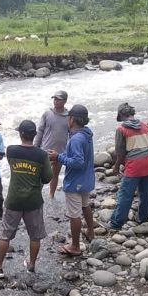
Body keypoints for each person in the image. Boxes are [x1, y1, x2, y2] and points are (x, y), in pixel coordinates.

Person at [0, 120, 52, 277]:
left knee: (5, 235)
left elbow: (11, 163)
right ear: (35, 135)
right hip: (33, 201)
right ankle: (31, 265)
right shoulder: (42, 155)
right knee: (35, 236)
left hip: (14, 200)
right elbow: (47, 178)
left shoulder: (11, 151)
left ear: (21, 134)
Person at [48, 104, 95, 256]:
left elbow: (78, 162)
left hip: (76, 182)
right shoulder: (86, 133)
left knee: (74, 214)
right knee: (85, 205)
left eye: (69, 117)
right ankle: (91, 231)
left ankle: (75, 246)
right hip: (87, 179)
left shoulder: (76, 139)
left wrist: (58, 157)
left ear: (72, 119)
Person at [106, 103, 148, 231]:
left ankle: (116, 223)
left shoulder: (121, 129)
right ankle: (142, 219)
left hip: (135, 166)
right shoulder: (144, 125)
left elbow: (120, 153)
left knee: (125, 195)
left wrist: (116, 166)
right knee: (145, 194)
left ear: (121, 115)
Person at [34, 90, 70, 199]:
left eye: (58, 99)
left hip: (60, 152)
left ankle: (51, 195)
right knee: (41, 175)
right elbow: (40, 131)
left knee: (55, 175)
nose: (56, 101)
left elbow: (72, 134)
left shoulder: (69, 116)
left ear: (65, 101)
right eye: (54, 99)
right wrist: (36, 147)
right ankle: (37, 195)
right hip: (46, 150)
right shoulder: (47, 114)